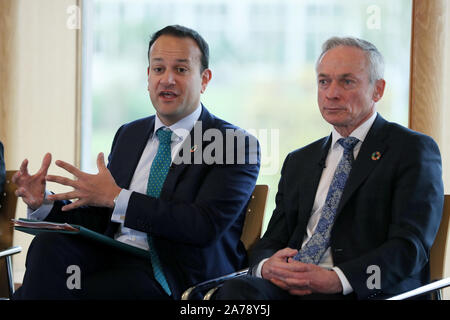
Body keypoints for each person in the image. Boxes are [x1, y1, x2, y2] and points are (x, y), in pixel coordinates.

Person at [12, 25, 260, 300]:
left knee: (73, 290)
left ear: (204, 79)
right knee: (50, 246)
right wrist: (44, 203)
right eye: (158, 69)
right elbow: (104, 216)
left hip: (172, 272)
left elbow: (202, 226)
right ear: (148, 76)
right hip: (112, 256)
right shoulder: (130, 134)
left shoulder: (232, 143)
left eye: (180, 70)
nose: (167, 80)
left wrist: (118, 197)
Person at [215, 37, 444, 300]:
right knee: (237, 292)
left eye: (347, 82)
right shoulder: (299, 160)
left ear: (377, 90)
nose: (332, 93)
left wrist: (339, 279)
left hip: (362, 289)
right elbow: (272, 241)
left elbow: (409, 247)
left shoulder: (411, 150)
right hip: (293, 286)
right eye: (324, 82)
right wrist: (268, 265)